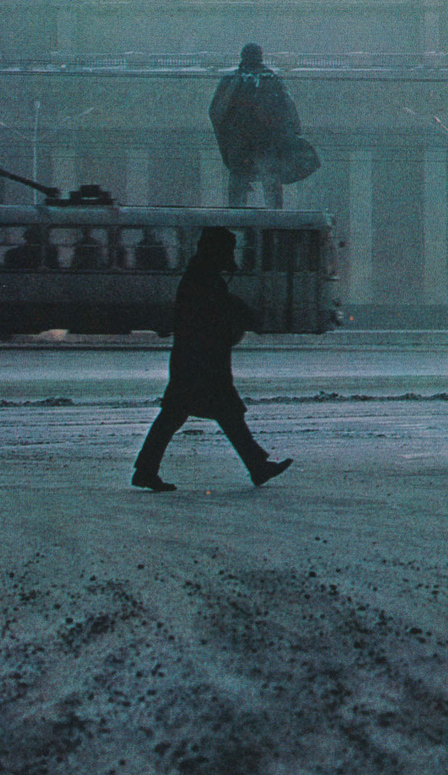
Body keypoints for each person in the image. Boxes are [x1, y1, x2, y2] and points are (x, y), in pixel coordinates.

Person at [132, 227, 292, 492]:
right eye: (227, 250)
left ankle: (146, 470)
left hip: (195, 360)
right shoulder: (205, 278)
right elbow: (215, 312)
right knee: (221, 413)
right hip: (202, 362)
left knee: (185, 414)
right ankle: (257, 466)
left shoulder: (201, 274)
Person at [209, 42, 318, 209]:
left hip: (242, 145)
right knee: (270, 183)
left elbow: (216, 112)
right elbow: (289, 113)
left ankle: (237, 219)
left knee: (240, 184)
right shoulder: (271, 80)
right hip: (264, 145)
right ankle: (272, 219)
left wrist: (229, 136)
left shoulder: (232, 81)